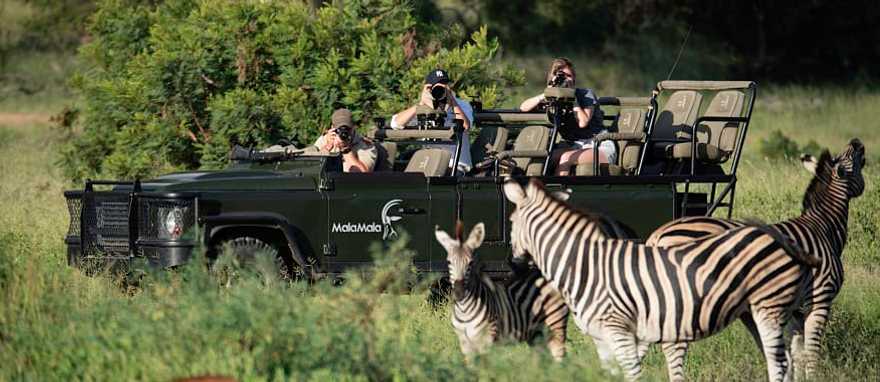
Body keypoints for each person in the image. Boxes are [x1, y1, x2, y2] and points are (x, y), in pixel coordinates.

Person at [519, 58, 616, 176]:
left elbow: (583, 122)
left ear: (574, 78)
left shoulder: (585, 94)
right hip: (575, 146)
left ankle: (558, 192)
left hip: (598, 144)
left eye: (568, 76)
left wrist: (572, 98)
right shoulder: (553, 97)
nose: (565, 79)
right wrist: (547, 93)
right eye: (561, 76)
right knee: (545, 157)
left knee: (566, 157)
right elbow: (523, 107)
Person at [390, 69, 474, 174]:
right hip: (430, 164)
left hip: (455, 167)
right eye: (436, 87)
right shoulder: (424, 109)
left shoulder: (462, 105)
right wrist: (420, 104)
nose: (440, 89)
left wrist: (452, 102)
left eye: (444, 85)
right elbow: (396, 124)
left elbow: (466, 126)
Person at [313, 108, 377, 173]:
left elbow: (363, 175)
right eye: (339, 129)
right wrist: (327, 147)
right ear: (332, 128)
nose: (343, 133)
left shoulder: (364, 145)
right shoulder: (325, 140)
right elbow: (311, 168)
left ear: (353, 127)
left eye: (347, 129)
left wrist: (346, 149)